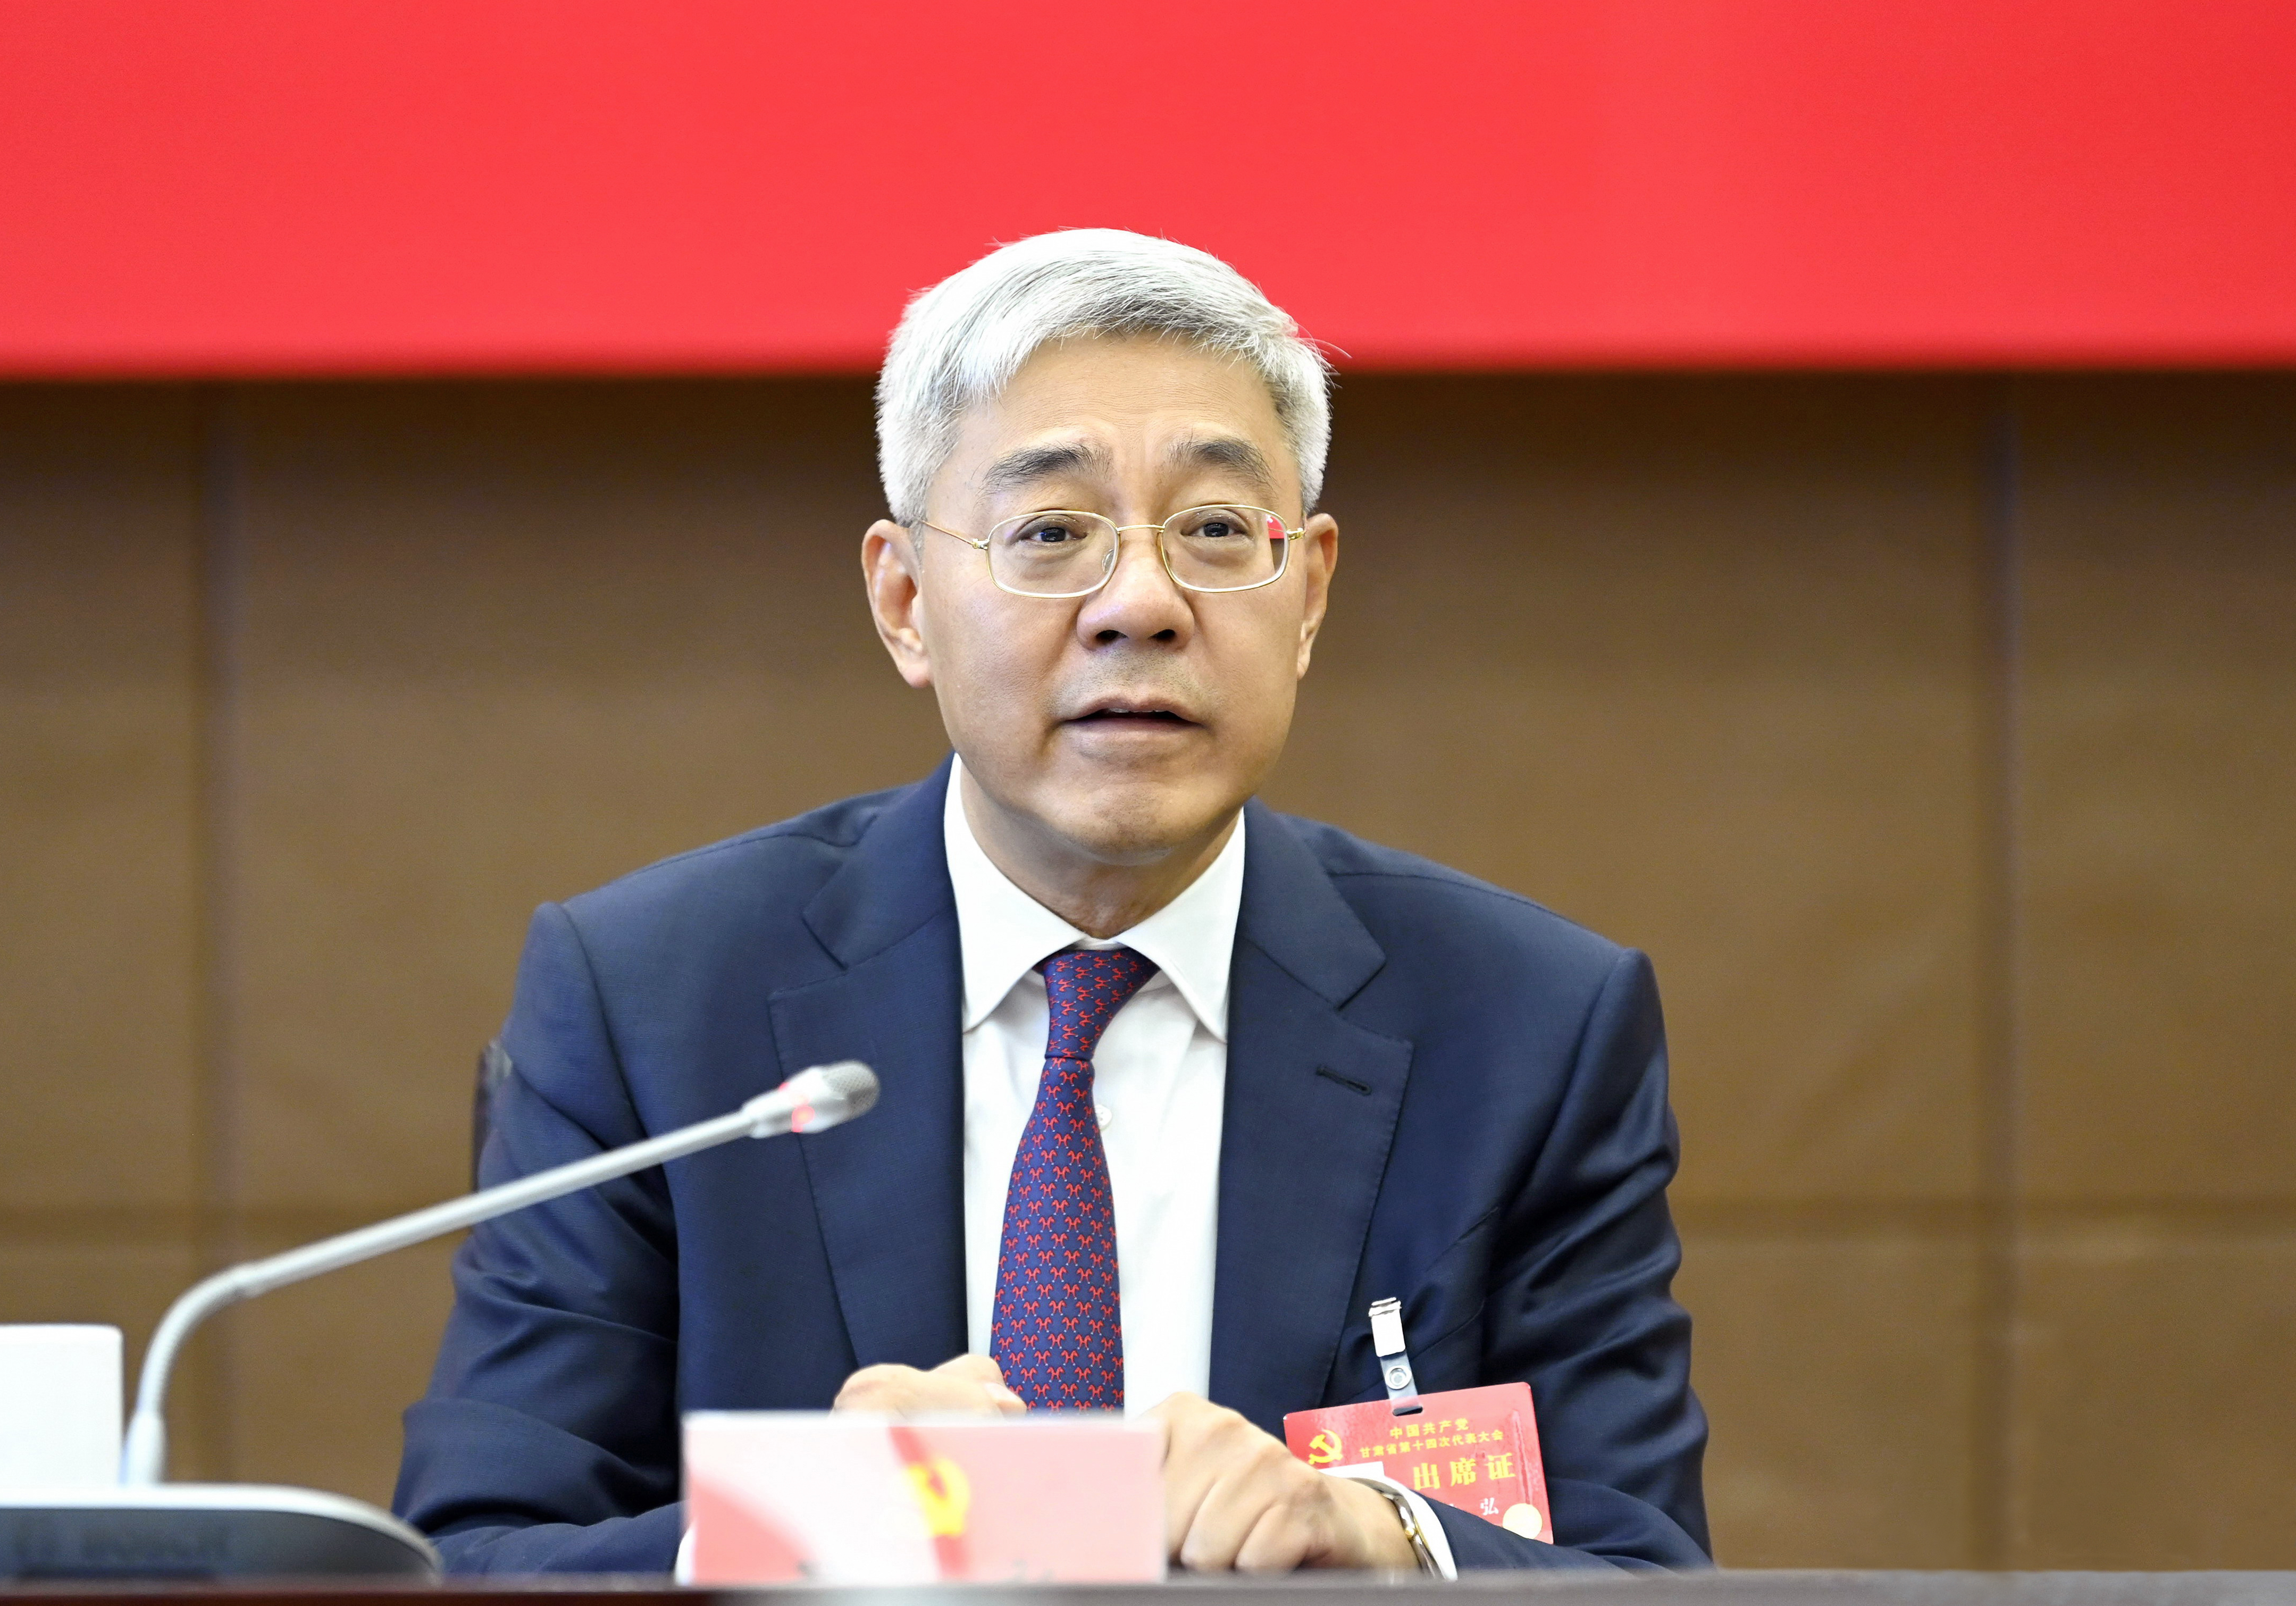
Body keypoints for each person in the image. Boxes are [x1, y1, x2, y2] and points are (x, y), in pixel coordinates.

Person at [393, 229, 1710, 1575]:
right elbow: (478, 1556)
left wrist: (1389, 1542)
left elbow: (1649, 1573)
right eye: (1051, 533)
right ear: (906, 600)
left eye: (1215, 530)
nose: (1140, 603)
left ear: (1309, 591)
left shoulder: (1531, 1027)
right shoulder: (651, 1003)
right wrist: (794, 1530)